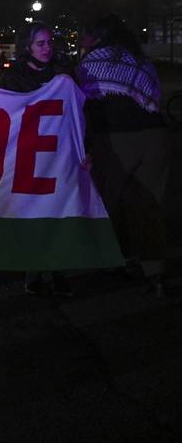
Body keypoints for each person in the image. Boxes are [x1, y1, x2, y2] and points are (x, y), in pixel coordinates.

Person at [75, 15, 168, 298]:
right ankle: (155, 274)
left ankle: (121, 259)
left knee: (112, 204)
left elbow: (83, 108)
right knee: (148, 205)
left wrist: (86, 146)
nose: (81, 40)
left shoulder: (89, 65)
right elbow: (154, 99)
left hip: (114, 139)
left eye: (84, 35)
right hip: (154, 137)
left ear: (96, 37)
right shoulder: (139, 61)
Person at [0, 22, 73, 296]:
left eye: (49, 42)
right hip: (27, 156)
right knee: (32, 214)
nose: (47, 48)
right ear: (27, 47)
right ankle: (34, 271)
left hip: (59, 155)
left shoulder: (63, 74)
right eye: (41, 43)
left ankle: (59, 272)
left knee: (57, 214)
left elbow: (77, 114)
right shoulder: (14, 78)